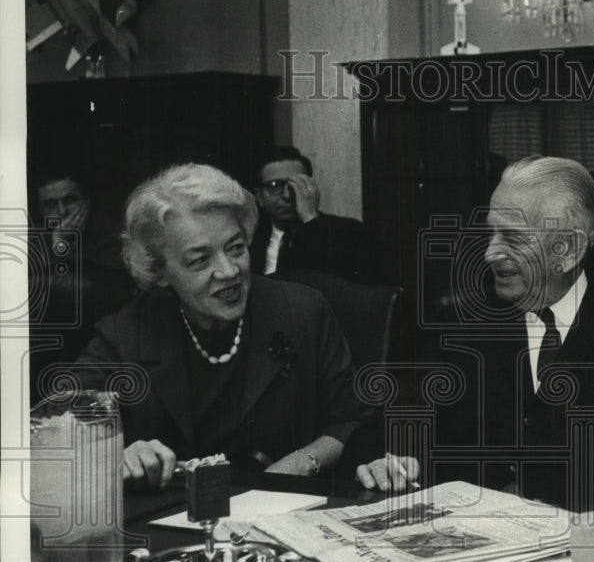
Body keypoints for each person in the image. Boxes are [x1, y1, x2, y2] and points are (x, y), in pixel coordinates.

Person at [354, 156, 594, 511]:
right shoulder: (459, 326)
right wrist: (390, 460)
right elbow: (389, 426)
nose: (490, 252)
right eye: (492, 233)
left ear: (569, 250)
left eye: (512, 237)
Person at [70, 163, 373, 486]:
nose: (229, 271)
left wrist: (302, 462)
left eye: (236, 248)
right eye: (200, 260)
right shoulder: (126, 335)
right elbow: (56, 425)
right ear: (158, 271)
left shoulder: (302, 311)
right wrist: (115, 453)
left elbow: (353, 420)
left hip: (283, 506)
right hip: (175, 512)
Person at [29, 171, 134, 400]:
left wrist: (62, 250)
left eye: (70, 200)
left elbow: (100, 296)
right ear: (40, 210)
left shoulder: (111, 234)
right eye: (50, 205)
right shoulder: (33, 241)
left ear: (86, 201)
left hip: (97, 344)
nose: (62, 211)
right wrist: (58, 246)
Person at [249, 146, 371, 282]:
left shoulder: (349, 231)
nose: (287, 195)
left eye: (297, 184)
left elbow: (339, 285)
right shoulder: (250, 238)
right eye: (275, 185)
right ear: (259, 197)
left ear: (311, 188)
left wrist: (310, 218)